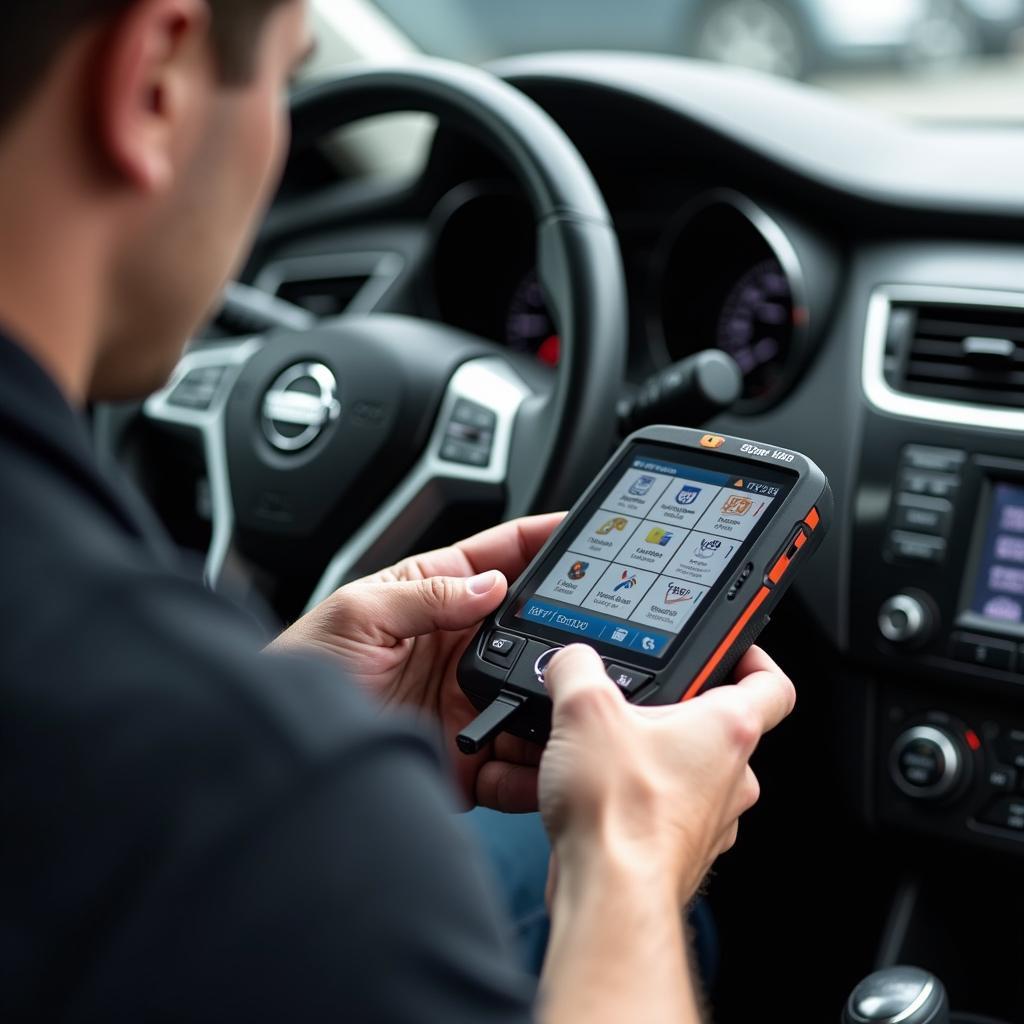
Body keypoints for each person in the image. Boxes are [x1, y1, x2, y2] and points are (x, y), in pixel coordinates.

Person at [0, 1, 797, 1020]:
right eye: (287, 82)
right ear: (154, 79)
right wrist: (633, 862)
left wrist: (283, 705)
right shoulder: (229, 766)